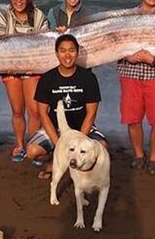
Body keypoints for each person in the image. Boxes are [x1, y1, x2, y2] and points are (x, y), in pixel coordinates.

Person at [27, 34, 107, 180]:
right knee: (32, 151)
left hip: (82, 128)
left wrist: (79, 141)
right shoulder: (47, 79)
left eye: (71, 50)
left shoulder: (88, 78)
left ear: (77, 53)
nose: (67, 55)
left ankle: (75, 165)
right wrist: (60, 147)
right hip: (56, 129)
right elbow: (43, 114)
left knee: (102, 148)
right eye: (63, 50)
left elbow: (91, 113)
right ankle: (55, 162)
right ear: (57, 53)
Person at [117, 0, 155, 175]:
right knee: (133, 119)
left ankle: (154, 158)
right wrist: (128, 56)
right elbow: (114, 42)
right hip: (129, 73)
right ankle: (139, 155)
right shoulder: (126, 17)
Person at [0, 0, 49, 162]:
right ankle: (19, 145)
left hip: (32, 68)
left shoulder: (38, 15)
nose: (19, 1)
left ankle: (33, 145)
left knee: (34, 111)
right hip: (11, 68)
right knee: (17, 109)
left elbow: (44, 42)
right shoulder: (3, 15)